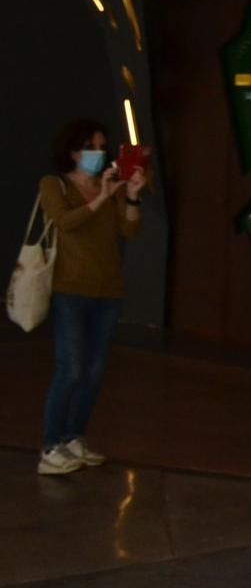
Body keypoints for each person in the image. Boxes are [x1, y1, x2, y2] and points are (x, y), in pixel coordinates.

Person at [35, 118, 146, 476]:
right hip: (70, 289)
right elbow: (66, 222)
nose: (98, 154)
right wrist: (101, 196)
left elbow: (128, 228)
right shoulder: (55, 185)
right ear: (73, 152)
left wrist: (130, 194)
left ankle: (74, 437)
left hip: (108, 291)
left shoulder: (108, 186)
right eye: (91, 147)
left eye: (102, 147)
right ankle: (51, 445)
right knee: (71, 368)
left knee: (94, 372)